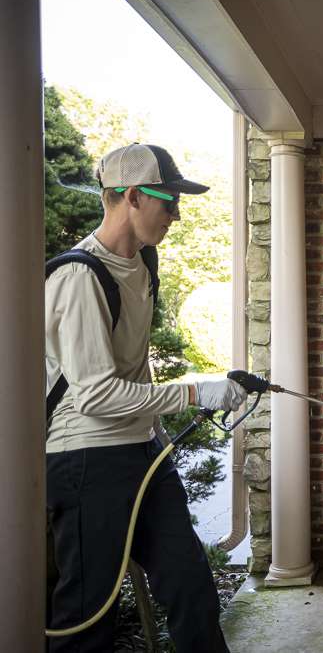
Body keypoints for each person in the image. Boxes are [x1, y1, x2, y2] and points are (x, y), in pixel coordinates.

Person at [45, 143, 246, 652]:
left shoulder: (144, 264)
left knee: (189, 582)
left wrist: (156, 434)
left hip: (142, 454)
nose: (177, 214)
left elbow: (135, 367)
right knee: (89, 614)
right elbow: (94, 395)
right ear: (133, 196)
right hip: (86, 457)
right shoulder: (78, 276)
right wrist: (198, 391)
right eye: (169, 200)